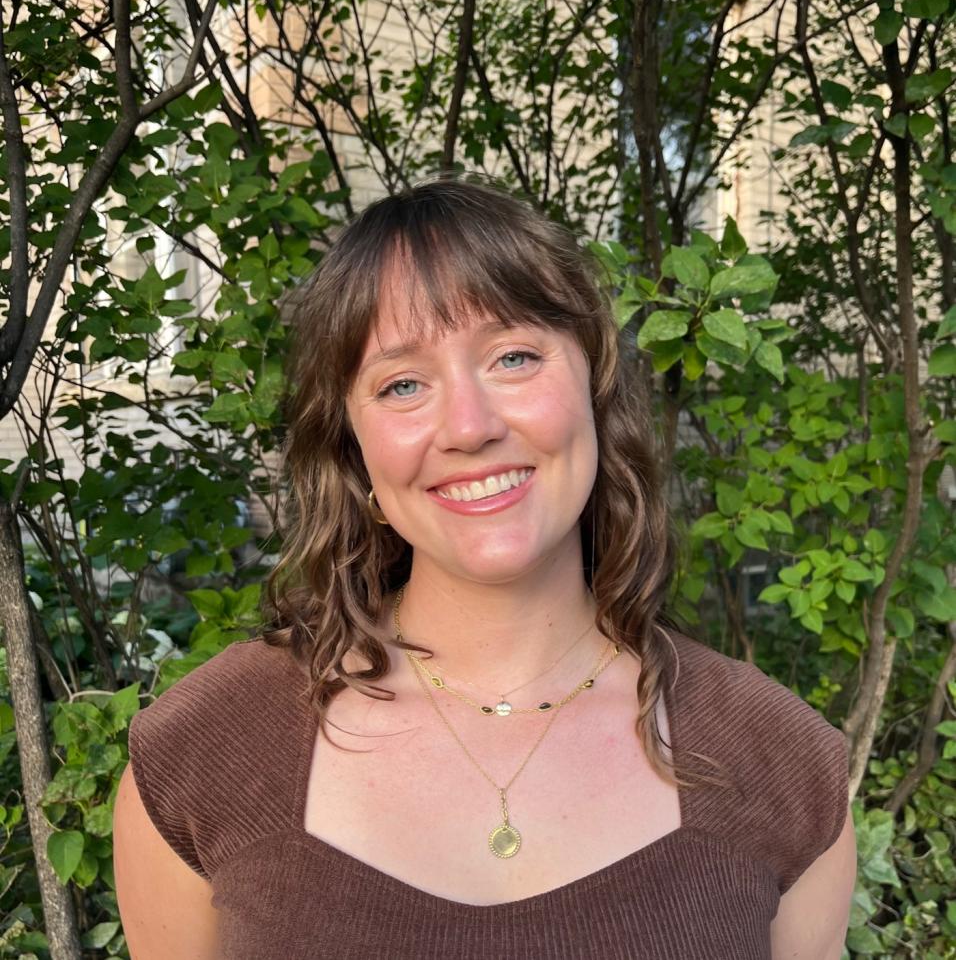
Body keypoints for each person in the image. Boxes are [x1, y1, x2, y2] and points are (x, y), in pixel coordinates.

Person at [113, 178, 856, 959]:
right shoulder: (206, 754)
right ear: (353, 451)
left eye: (513, 357)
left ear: (596, 391)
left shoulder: (779, 765)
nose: (468, 427)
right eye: (403, 384)